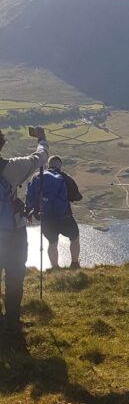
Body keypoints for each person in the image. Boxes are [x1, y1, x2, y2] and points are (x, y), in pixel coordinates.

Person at [0, 126, 49, 332]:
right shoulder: (12, 168)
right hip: (13, 233)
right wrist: (41, 138)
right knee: (14, 276)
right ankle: (12, 321)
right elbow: (40, 158)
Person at [26, 155, 83, 269]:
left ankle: (55, 268)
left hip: (45, 217)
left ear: (49, 164)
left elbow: (30, 196)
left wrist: (29, 211)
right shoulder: (65, 177)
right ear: (60, 165)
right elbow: (77, 197)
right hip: (64, 217)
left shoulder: (37, 176)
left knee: (52, 242)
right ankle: (74, 264)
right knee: (74, 237)